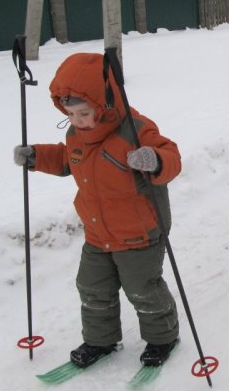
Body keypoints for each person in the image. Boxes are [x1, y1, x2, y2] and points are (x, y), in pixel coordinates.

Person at [13, 53, 181, 368]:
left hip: (138, 233)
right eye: (70, 114)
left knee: (142, 289)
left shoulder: (135, 128)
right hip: (97, 233)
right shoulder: (76, 135)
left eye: (84, 113)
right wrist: (35, 157)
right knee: (91, 287)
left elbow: (171, 158)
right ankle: (100, 341)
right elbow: (68, 159)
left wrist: (154, 160)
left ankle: (163, 338)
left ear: (104, 105)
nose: (78, 121)